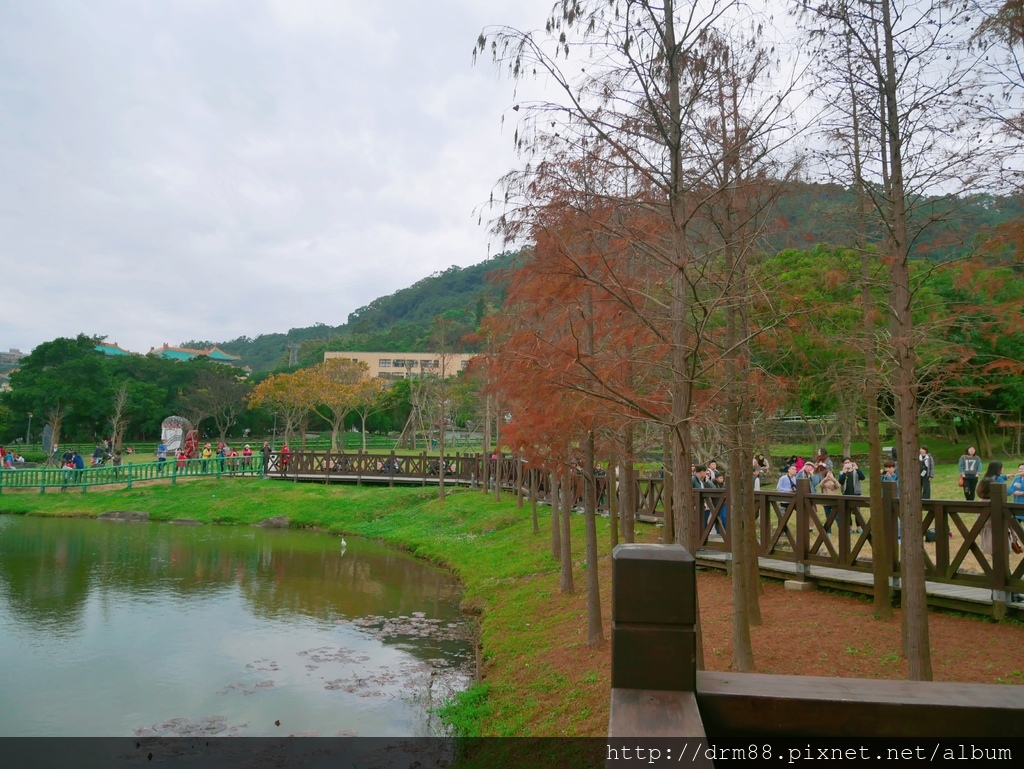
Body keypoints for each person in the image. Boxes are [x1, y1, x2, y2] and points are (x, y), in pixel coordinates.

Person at [977, 461, 1007, 555]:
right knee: (1000, 554)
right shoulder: (994, 482)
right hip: (994, 531)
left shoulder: (985, 480)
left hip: (985, 531)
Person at [817, 468, 841, 534]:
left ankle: (841, 530)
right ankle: (828, 531)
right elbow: (820, 485)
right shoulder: (824, 481)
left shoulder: (835, 481)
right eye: (828, 473)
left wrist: (833, 479)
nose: (829, 475)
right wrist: (825, 479)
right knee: (828, 517)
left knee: (837, 517)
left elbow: (838, 486)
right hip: (826, 502)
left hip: (834, 501)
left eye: (830, 473)